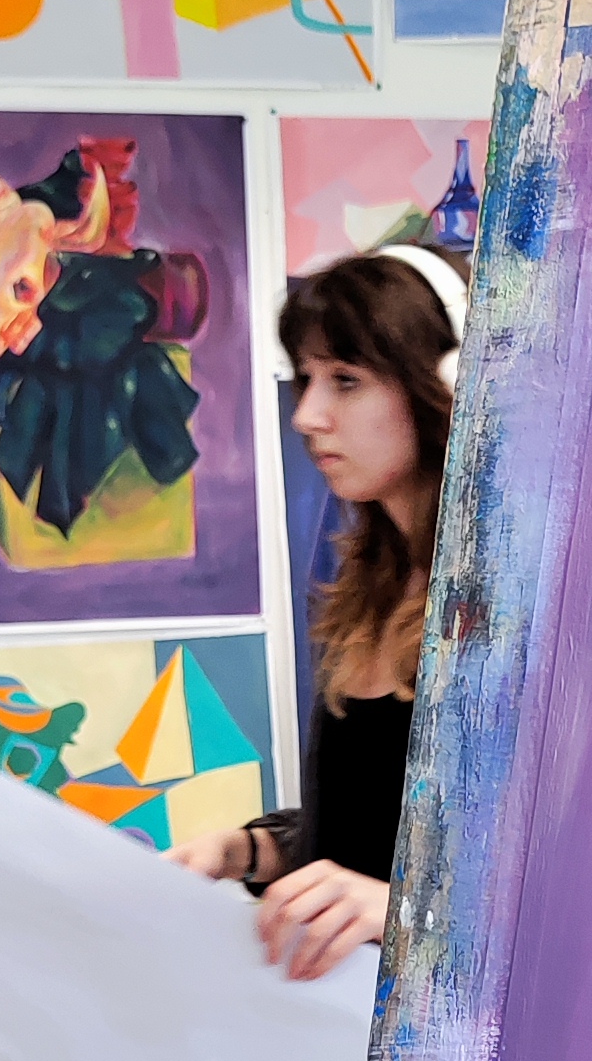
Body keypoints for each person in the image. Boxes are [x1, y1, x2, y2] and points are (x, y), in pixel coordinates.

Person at [175, 234, 467, 980]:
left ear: (449, 385)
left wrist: (404, 911)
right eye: (306, 380)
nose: (307, 415)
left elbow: (572, 895)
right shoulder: (367, 592)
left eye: (345, 381)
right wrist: (246, 851)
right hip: (342, 1026)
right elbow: (369, 830)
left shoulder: (519, 615)